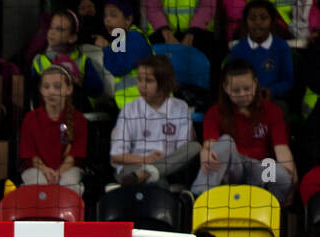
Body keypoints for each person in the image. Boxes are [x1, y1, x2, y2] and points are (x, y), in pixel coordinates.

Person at [192, 60, 296, 204]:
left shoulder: (272, 110)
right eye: (236, 91)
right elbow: (211, 145)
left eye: (247, 89)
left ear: (256, 84)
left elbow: (282, 149)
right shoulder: (215, 112)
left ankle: (270, 210)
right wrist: (206, 152)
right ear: (225, 88)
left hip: (260, 169)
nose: (242, 94)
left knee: (281, 174)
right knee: (225, 142)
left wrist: (291, 180)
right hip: (232, 168)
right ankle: (198, 197)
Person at [108, 54, 199, 188]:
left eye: (149, 81)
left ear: (164, 83)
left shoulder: (180, 107)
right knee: (157, 182)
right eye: (139, 79)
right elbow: (116, 157)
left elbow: (183, 151)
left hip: (170, 167)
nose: (142, 86)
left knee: (195, 147)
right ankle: (149, 174)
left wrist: (158, 162)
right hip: (133, 168)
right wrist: (145, 159)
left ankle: (149, 173)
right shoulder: (129, 110)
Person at [19, 64, 87, 196]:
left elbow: (72, 158)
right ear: (41, 90)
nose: (51, 91)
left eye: (57, 87)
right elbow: (32, 157)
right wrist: (46, 170)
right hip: (37, 169)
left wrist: (58, 173)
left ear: (69, 89)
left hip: (68, 169)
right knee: (38, 186)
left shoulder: (79, 120)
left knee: (68, 186)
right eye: (46, 87)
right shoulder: (30, 118)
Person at [228, 1, 293, 102]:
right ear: (245, 22)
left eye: (263, 18)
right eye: (252, 19)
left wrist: (272, 91)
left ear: (272, 22)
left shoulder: (281, 47)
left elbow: (288, 81)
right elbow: (231, 80)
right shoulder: (238, 49)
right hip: (243, 100)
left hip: (274, 100)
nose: (258, 22)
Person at [93, 1, 151, 109]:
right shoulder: (119, 40)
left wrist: (106, 49)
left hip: (145, 104)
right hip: (129, 106)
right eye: (105, 16)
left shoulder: (135, 37)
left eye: (113, 15)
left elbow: (119, 68)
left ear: (128, 20)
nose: (107, 20)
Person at [143, 0, 217, 59]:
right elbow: (151, 6)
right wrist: (167, 35)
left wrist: (190, 35)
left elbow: (207, 6)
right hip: (160, 34)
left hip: (200, 33)